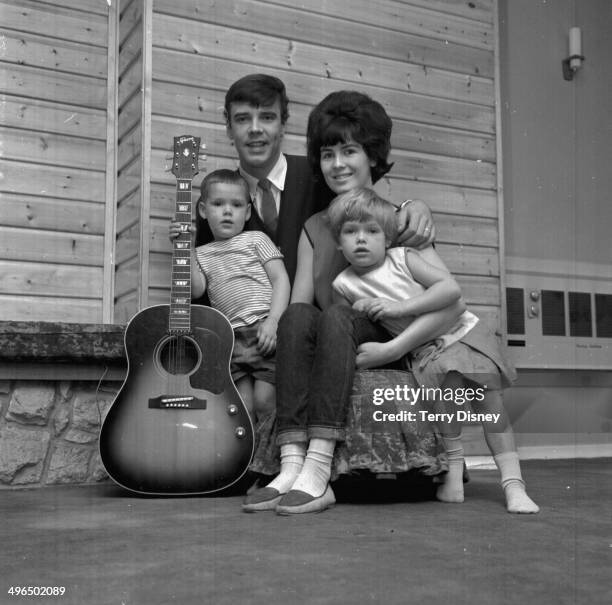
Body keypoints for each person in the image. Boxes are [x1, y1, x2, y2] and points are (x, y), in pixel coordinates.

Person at [243, 91, 464, 514]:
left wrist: (396, 347)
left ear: (373, 157)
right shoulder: (314, 226)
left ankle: (319, 468)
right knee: (298, 313)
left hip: (388, 336)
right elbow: (303, 312)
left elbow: (451, 304)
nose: (338, 164)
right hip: (336, 337)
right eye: (328, 154)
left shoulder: (398, 220)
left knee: (339, 313)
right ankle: (291, 464)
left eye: (350, 151)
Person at [329, 188, 539, 514]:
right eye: (350, 232)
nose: (361, 239)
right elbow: (350, 328)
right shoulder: (343, 285)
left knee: (490, 408)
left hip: (461, 335)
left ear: (387, 239)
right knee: (446, 416)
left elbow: (450, 290)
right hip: (426, 354)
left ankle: (514, 484)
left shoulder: (403, 259)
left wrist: (399, 308)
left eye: (372, 231)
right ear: (338, 243)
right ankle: (453, 478)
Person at [194, 74, 436, 288]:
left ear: (283, 125)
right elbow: (204, 284)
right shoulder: (216, 198)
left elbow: (366, 205)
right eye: (243, 119)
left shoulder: (321, 175)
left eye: (267, 117)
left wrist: (411, 206)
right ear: (228, 126)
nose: (255, 129)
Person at [169, 169, 290, 422]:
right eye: (218, 204)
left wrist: (275, 321)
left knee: (265, 402)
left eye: (236, 205)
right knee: (242, 408)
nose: (227, 211)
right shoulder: (202, 253)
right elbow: (196, 290)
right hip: (230, 337)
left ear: (247, 212)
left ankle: (271, 458)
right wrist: (185, 247)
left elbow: (281, 280)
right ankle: (249, 459)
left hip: (264, 331)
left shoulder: (256, 239)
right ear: (203, 210)